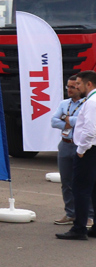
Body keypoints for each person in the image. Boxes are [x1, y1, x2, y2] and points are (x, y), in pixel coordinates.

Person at [57, 69, 96, 240]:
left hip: (88, 150)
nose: (76, 86)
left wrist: (81, 150)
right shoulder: (92, 100)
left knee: (80, 188)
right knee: (93, 188)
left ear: (89, 84)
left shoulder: (92, 102)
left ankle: (79, 228)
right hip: (91, 149)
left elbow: (90, 130)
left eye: (79, 83)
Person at [50, 76, 85, 225]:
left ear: (80, 88)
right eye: (67, 87)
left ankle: (88, 215)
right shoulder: (64, 103)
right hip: (65, 144)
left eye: (72, 87)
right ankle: (70, 213)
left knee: (84, 181)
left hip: (80, 145)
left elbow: (84, 122)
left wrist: (66, 119)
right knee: (66, 181)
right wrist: (70, 121)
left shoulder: (87, 104)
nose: (69, 90)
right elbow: (53, 121)